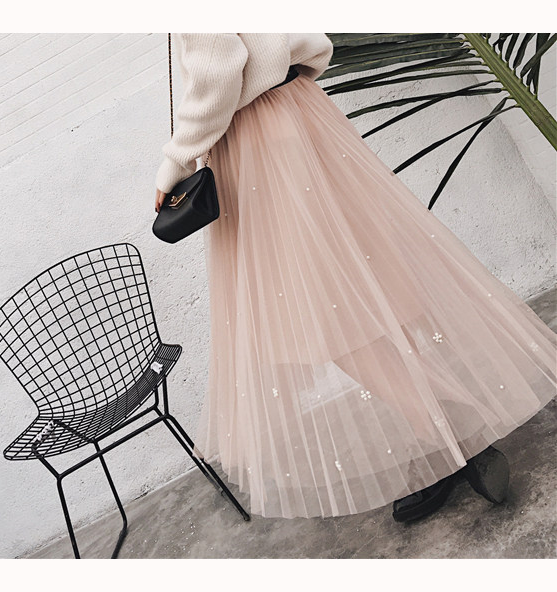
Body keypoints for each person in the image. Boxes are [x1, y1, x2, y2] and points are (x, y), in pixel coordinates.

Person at [153, 33, 557, 522]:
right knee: (353, 290)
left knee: (322, 315)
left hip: (259, 140)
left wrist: (175, 160)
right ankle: (445, 423)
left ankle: (448, 424)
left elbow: (218, 73)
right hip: (298, 113)